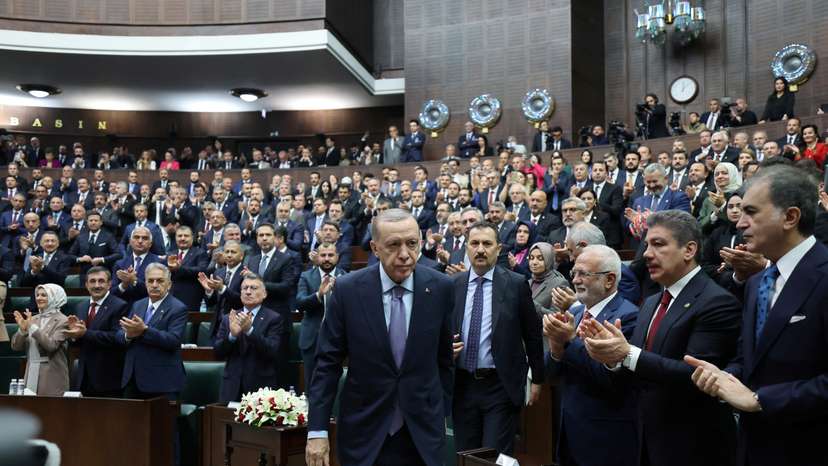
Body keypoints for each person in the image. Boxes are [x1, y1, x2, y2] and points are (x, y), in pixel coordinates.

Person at [687, 165, 828, 466]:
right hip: (753, 448)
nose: (739, 223)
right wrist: (725, 377)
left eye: (751, 212)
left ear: (790, 217)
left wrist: (761, 400)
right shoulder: (756, 282)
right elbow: (748, 357)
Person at [579, 210, 740, 466]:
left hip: (695, 447)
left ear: (689, 250)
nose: (646, 254)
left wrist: (626, 354)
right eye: (646, 245)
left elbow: (697, 376)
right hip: (646, 441)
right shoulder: (651, 302)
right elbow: (637, 374)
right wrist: (611, 358)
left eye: (658, 244)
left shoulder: (717, 302)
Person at [306, 209, 454, 466]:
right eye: (394, 245)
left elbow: (445, 361)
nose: (405, 254)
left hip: (423, 435)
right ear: (375, 248)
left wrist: (440, 411)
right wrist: (317, 431)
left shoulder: (440, 287)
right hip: (364, 433)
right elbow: (327, 364)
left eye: (412, 243)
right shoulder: (348, 290)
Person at [451, 221, 544, 455]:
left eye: (487, 243)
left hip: (500, 385)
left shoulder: (515, 284)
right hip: (461, 386)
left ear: (498, 248)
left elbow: (532, 334)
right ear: (466, 247)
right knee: (465, 455)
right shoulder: (453, 285)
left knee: (493, 456)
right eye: (474, 243)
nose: (480, 249)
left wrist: (539, 379)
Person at [543, 245, 638, 466]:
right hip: (568, 432)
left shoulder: (628, 317)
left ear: (609, 280)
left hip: (606, 438)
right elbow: (551, 374)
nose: (575, 280)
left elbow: (612, 381)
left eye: (584, 274)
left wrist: (568, 342)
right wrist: (556, 348)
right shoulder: (574, 314)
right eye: (574, 273)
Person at [214, 274, 284, 403]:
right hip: (232, 386)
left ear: (264, 294)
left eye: (253, 288)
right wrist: (232, 336)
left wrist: (250, 331)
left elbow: (272, 351)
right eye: (245, 288)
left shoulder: (274, 318)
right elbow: (218, 352)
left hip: (260, 386)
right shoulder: (228, 317)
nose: (248, 291)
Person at [64, 267, 130, 397]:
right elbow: (79, 341)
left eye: (101, 281)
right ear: (86, 285)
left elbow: (117, 338)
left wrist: (85, 333)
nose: (97, 285)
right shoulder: (81, 306)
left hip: (108, 378)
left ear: (109, 284)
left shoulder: (120, 305)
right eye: (92, 281)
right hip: (84, 376)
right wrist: (73, 336)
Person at [296, 242, 347, 395]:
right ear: (316, 257)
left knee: (337, 382)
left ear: (337, 257)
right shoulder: (306, 276)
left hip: (338, 338)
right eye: (323, 255)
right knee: (311, 383)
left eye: (330, 255)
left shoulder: (346, 277)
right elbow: (300, 302)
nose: (326, 259)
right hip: (312, 338)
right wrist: (318, 295)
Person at [10, 284, 70, 396]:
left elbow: (51, 346)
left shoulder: (63, 321)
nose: (39, 298)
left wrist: (32, 328)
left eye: (44, 295)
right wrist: (22, 331)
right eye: (37, 295)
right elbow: (15, 347)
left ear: (55, 297)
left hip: (52, 376)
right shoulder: (32, 319)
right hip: (30, 371)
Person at [700, 191, 745, 284]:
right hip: (720, 285)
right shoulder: (717, 233)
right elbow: (704, 264)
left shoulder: (754, 232)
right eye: (730, 207)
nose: (735, 210)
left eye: (739, 206)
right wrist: (720, 269)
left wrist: (731, 266)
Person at [111, 226, 162, 302]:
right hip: (124, 309)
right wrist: (123, 285)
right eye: (136, 237)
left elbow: (159, 291)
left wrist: (134, 280)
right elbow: (112, 293)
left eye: (144, 238)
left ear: (150, 244)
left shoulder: (159, 263)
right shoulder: (120, 264)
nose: (140, 241)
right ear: (130, 242)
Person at [68, 211, 122, 282]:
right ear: (87, 222)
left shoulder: (108, 236)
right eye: (91, 220)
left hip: (103, 273)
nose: (93, 222)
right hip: (85, 274)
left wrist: (102, 259)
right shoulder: (81, 237)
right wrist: (80, 259)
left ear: (101, 222)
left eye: (96, 220)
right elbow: (69, 256)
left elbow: (118, 254)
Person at [167, 225, 210, 312]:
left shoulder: (200, 253)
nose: (182, 238)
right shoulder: (170, 254)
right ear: (175, 238)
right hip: (171, 297)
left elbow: (201, 270)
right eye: (179, 236)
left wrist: (180, 268)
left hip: (190, 298)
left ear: (192, 238)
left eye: (186, 236)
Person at [698, 162, 742, 233]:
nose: (720, 176)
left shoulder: (742, 195)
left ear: (732, 174)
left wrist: (723, 206)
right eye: (716, 174)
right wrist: (714, 215)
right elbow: (699, 226)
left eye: (724, 173)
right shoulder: (709, 199)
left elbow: (741, 221)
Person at [526, 242, 569, 315]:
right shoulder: (528, 282)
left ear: (549, 260)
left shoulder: (559, 283)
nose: (534, 262)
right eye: (531, 258)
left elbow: (557, 316)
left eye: (540, 259)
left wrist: (530, 304)